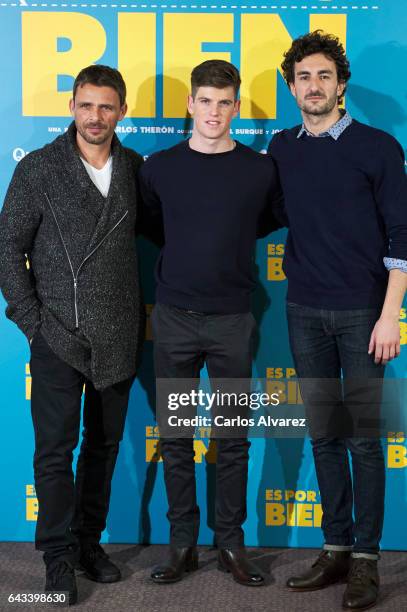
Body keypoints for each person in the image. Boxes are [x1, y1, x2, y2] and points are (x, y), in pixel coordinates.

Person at [0, 65, 152, 605]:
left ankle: (90, 543)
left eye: (106, 107)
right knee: (53, 452)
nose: (95, 116)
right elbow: (7, 249)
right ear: (72, 107)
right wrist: (33, 322)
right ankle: (58, 557)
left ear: (122, 111)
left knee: (105, 447)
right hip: (57, 336)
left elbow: (169, 232)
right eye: (86, 105)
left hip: (117, 334)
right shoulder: (39, 169)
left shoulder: (136, 168)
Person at [268, 31, 407, 610]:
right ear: (291, 86)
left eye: (324, 75)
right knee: (325, 434)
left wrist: (390, 315)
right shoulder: (281, 148)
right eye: (304, 77)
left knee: (364, 439)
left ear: (341, 84)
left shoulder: (378, 147)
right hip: (304, 311)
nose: (314, 85)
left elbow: (402, 235)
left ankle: (368, 562)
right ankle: (336, 547)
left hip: (363, 315)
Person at [139, 59, 283, 587]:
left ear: (236, 107)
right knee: (175, 436)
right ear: (190, 104)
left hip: (232, 322)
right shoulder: (158, 167)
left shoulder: (260, 170)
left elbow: (262, 221)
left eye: (225, 103)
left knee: (234, 438)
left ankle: (231, 543)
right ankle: (182, 545)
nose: (214, 112)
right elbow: (154, 224)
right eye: (206, 101)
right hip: (174, 319)